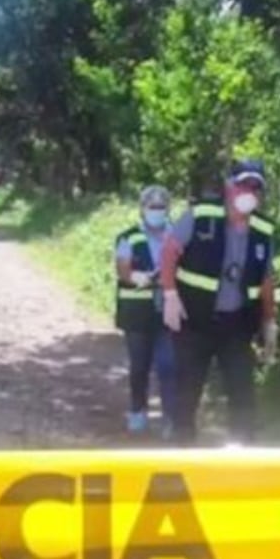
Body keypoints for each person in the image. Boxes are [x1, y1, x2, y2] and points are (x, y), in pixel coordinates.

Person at [159, 158, 279, 446]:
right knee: (187, 391)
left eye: (255, 187)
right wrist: (170, 294)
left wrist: (270, 320)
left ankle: (240, 455)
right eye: (243, 185)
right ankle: (183, 450)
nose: (249, 192)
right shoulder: (201, 215)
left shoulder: (263, 231)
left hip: (236, 326)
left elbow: (266, 281)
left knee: (242, 393)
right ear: (229, 187)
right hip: (195, 323)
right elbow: (169, 253)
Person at [114, 185, 177, 439]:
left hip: (167, 311)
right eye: (152, 207)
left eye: (161, 207)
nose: (157, 211)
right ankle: (138, 411)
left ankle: (170, 418)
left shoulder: (177, 235)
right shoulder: (128, 237)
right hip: (137, 314)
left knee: (168, 366)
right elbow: (122, 269)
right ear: (142, 209)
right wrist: (136, 277)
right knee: (139, 366)